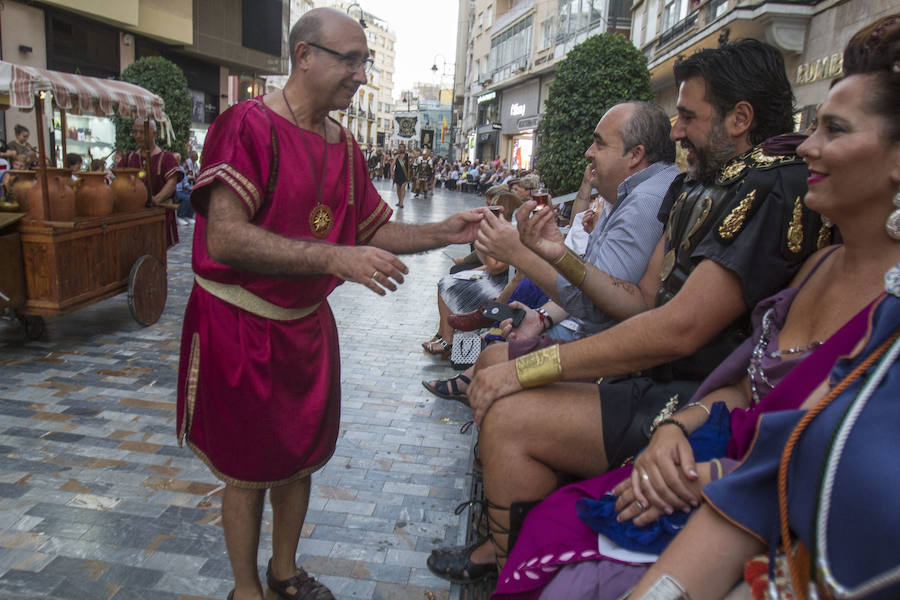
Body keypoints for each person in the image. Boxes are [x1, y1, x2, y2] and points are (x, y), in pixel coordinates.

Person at [447, 39, 824, 579]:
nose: (675, 131)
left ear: (740, 119)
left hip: (693, 395)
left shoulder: (769, 187)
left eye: (689, 116)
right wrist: (551, 255)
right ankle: (509, 556)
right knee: (495, 363)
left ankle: (511, 568)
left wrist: (527, 363)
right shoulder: (702, 186)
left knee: (509, 410)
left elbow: (676, 330)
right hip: (648, 372)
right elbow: (642, 302)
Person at [174, 9, 488, 600]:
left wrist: (446, 231)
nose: (362, 76)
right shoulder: (247, 125)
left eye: (366, 61)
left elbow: (371, 230)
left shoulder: (344, 147)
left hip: (303, 327)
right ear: (304, 56)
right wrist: (331, 258)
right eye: (352, 60)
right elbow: (225, 236)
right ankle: (245, 589)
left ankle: (284, 573)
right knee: (246, 471)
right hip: (240, 323)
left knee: (299, 456)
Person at [621, 16, 900, 600]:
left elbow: (677, 327)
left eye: (835, 129)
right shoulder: (823, 268)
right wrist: (678, 430)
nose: (806, 147)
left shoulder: (773, 192)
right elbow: (756, 404)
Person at [422, 102, 680, 406]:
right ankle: (464, 343)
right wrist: (543, 309)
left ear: (635, 155)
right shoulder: (629, 194)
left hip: (606, 356)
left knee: (497, 382)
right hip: (582, 329)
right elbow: (593, 281)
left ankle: (473, 354)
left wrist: (520, 253)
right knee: (491, 343)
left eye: (599, 143)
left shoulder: (643, 202)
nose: (588, 152)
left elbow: (598, 303)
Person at [117, 118, 183, 248]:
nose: (138, 136)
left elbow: (172, 181)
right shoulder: (129, 158)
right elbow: (119, 179)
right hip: (133, 216)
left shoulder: (166, 158)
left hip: (158, 215)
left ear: (154, 133)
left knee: (156, 253)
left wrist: (156, 200)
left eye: (142, 132)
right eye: (135, 132)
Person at [391, 141, 410, 207]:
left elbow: (417, 155)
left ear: (404, 148)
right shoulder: (396, 156)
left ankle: (401, 202)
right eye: (399, 148)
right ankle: (399, 201)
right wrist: (392, 172)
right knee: (398, 189)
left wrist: (411, 149)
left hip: (405, 175)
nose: (400, 149)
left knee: (402, 188)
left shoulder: (407, 156)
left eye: (402, 148)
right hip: (397, 174)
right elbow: (392, 165)